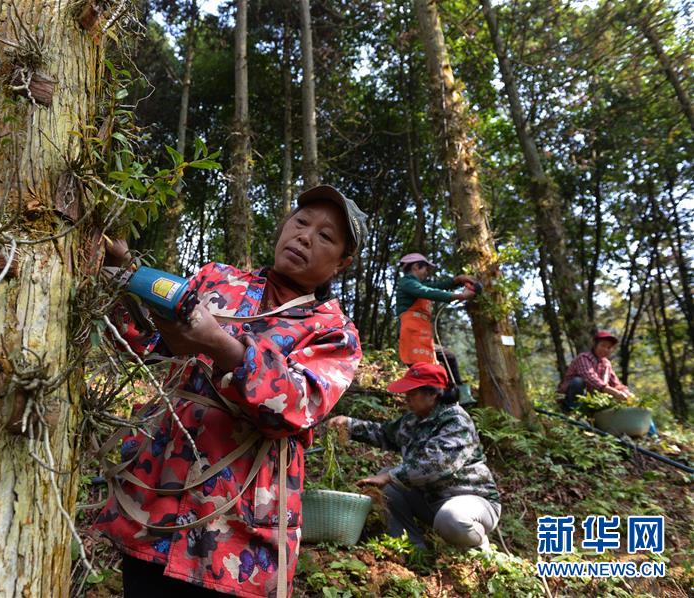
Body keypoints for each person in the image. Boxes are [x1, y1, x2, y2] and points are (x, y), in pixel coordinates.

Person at [94, 184, 368, 597]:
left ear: (342, 263)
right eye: (301, 222)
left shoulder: (334, 332)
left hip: (237, 535)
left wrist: (220, 344)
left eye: (326, 236)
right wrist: (125, 275)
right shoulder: (216, 279)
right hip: (155, 506)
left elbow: (294, 406)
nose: (305, 236)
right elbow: (146, 344)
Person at [327, 363, 501, 551]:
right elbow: (384, 434)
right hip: (431, 500)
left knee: (450, 518)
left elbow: (436, 464)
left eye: (413, 392)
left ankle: (477, 541)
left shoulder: (456, 421)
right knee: (388, 486)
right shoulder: (413, 420)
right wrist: (350, 425)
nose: (406, 397)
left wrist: (390, 476)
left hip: (472, 500)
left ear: (433, 394)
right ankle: (412, 549)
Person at [395, 253, 477, 401]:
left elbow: (437, 286)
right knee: (425, 376)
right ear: (415, 266)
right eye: (425, 268)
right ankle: (429, 405)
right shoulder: (407, 283)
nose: (427, 272)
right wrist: (460, 296)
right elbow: (428, 292)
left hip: (423, 338)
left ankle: (459, 396)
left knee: (448, 357)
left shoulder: (417, 284)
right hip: (411, 337)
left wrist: (458, 280)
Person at [558, 330, 633, 412]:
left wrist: (625, 392)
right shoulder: (583, 358)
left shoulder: (606, 364)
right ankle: (572, 410)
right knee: (578, 382)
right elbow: (590, 378)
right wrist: (614, 392)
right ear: (595, 345)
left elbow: (616, 383)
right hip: (571, 397)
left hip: (593, 400)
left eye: (609, 348)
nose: (605, 349)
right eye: (603, 345)